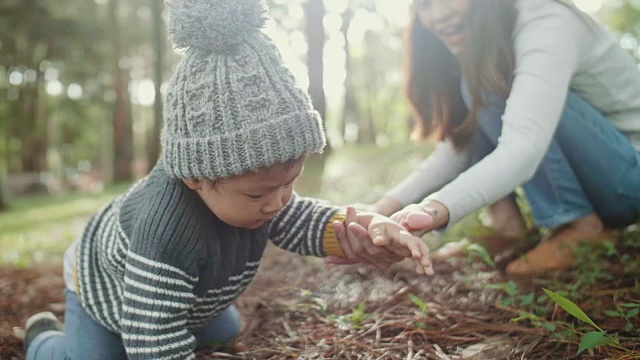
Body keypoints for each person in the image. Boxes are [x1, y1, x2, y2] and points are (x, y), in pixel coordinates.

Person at [22, 1, 434, 359]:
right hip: (106, 293)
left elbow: (303, 220)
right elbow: (153, 336)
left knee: (224, 332)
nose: (278, 202)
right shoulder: (164, 233)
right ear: (195, 179)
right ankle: (43, 339)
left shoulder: (260, 198)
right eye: (259, 193)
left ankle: (197, 311)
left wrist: (365, 226)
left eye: (289, 182)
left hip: (184, 295)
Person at [363, 0, 640, 276]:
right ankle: (507, 227)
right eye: (425, 5)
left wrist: (433, 210)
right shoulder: (485, 44)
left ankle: (582, 227)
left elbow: (524, 145)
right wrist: (384, 207)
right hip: (606, 179)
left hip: (629, 178)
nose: (439, 14)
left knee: (492, 86)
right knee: (484, 86)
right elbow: (459, 149)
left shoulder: (546, 21)